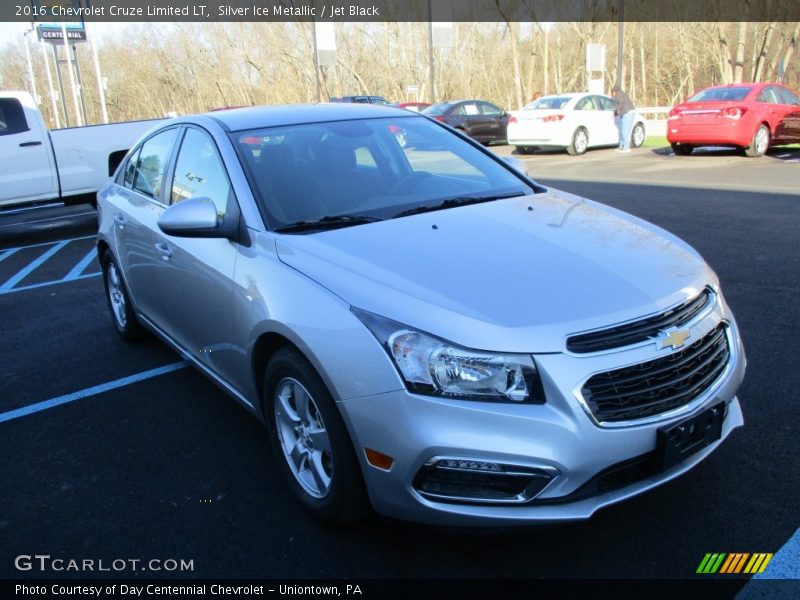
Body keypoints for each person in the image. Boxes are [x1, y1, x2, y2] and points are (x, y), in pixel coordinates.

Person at [612, 86, 636, 153]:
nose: (613, 95)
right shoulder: (622, 93)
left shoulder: (618, 94)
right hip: (630, 111)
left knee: (625, 130)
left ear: (614, 92)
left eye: (612, 93)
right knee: (624, 130)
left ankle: (626, 147)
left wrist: (617, 113)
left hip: (627, 113)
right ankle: (622, 146)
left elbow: (621, 103)